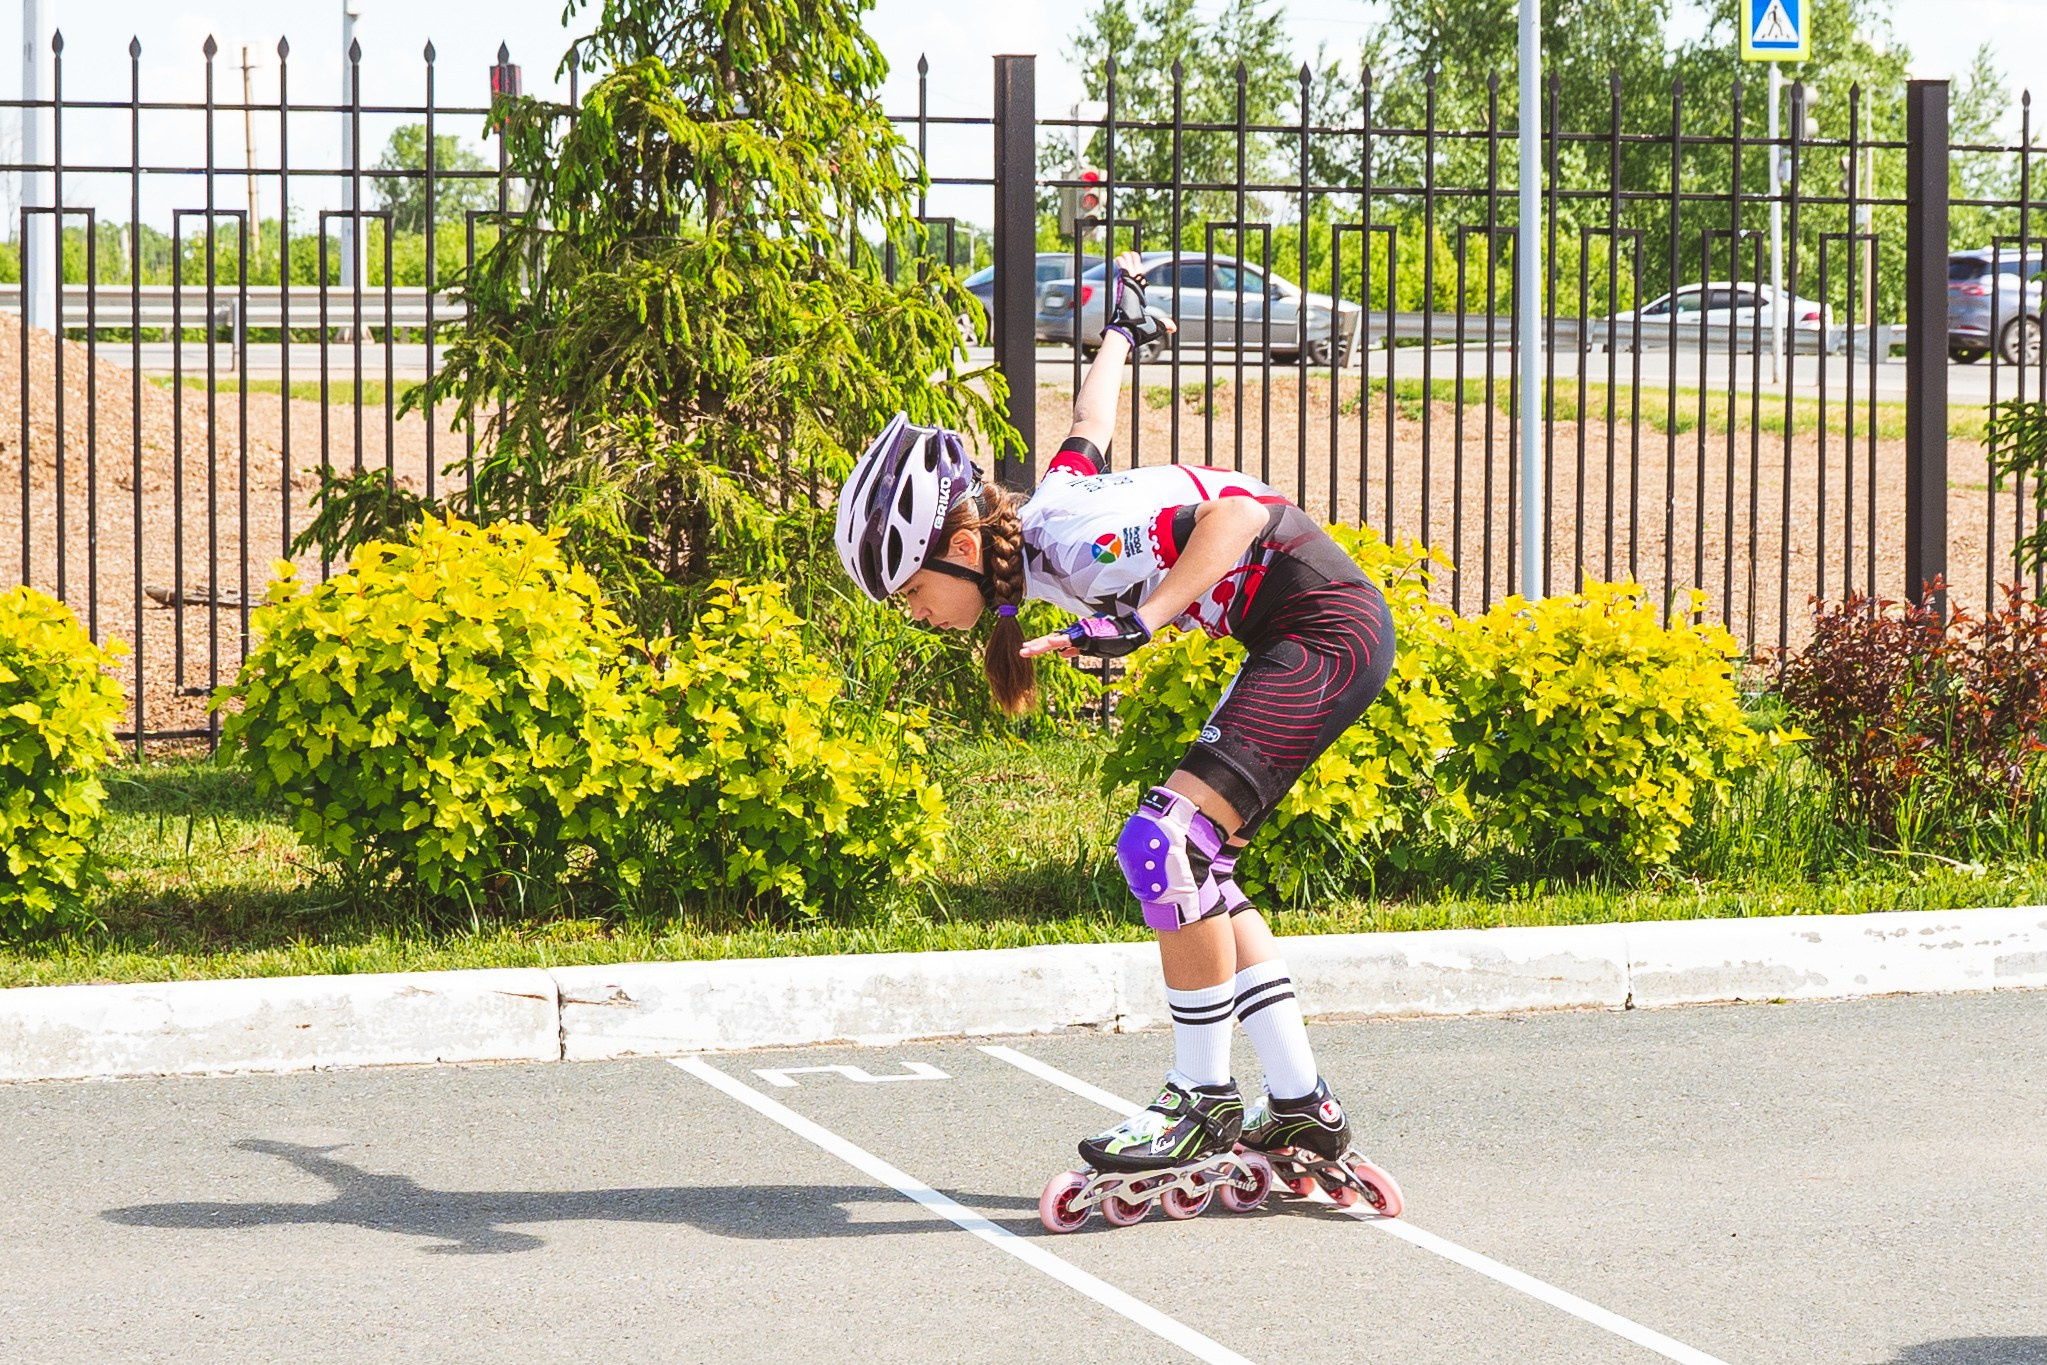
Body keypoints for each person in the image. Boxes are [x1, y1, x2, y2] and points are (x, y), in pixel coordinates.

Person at [832, 250, 1398, 1207]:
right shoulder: (1042, 519)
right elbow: (1090, 422)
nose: (915, 614)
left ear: (962, 550)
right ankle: (1301, 1103)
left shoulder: (1073, 543)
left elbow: (1232, 518)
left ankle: (1200, 1097)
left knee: (1161, 841)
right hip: (1295, 634)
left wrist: (1147, 618)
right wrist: (1122, 331)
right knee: (1199, 862)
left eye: (914, 590)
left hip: (1324, 629)